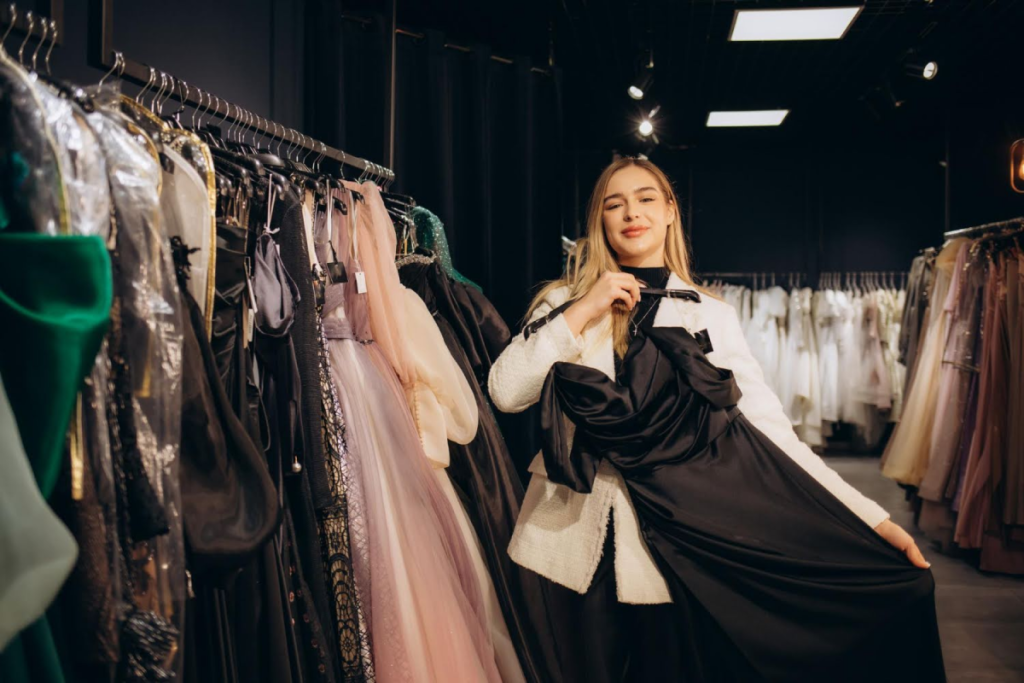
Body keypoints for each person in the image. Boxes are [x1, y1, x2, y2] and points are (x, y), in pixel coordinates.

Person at [488, 157, 945, 682]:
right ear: (600, 221)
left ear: (669, 212)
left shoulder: (709, 314)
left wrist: (871, 518)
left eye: (645, 199)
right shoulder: (562, 301)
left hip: (673, 545)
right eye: (614, 204)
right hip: (566, 538)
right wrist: (584, 308)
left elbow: (773, 431)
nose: (631, 213)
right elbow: (505, 392)